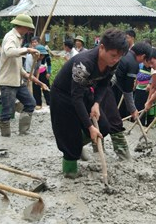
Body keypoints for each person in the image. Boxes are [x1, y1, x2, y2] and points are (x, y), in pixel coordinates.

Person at [51, 28, 128, 178]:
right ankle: (69, 171)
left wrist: (97, 103)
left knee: (104, 127)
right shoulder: (84, 63)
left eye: (119, 56)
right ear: (102, 48)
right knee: (69, 135)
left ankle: (75, 145)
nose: (115, 60)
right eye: (113, 55)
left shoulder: (114, 62)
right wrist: (89, 126)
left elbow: (104, 84)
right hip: (63, 95)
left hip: (84, 91)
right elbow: (75, 98)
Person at [0, 14, 46, 137]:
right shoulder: (11, 37)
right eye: (28, 28)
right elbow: (9, 52)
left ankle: (23, 132)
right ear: (23, 26)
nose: (29, 31)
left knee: (30, 103)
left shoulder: (18, 38)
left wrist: (31, 77)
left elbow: (19, 66)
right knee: (7, 111)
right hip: (8, 81)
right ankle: (5, 136)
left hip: (18, 81)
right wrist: (27, 50)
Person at [112, 41, 152, 119]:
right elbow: (128, 90)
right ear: (143, 56)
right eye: (145, 60)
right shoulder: (133, 63)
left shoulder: (124, 54)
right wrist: (133, 110)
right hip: (113, 88)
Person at [32, 44, 51, 109]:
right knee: (36, 89)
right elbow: (29, 72)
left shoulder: (42, 58)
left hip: (42, 72)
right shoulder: (30, 58)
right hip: (31, 75)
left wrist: (37, 79)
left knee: (46, 87)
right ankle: (38, 104)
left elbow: (38, 69)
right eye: (41, 55)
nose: (42, 57)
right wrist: (35, 80)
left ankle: (50, 102)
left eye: (43, 55)